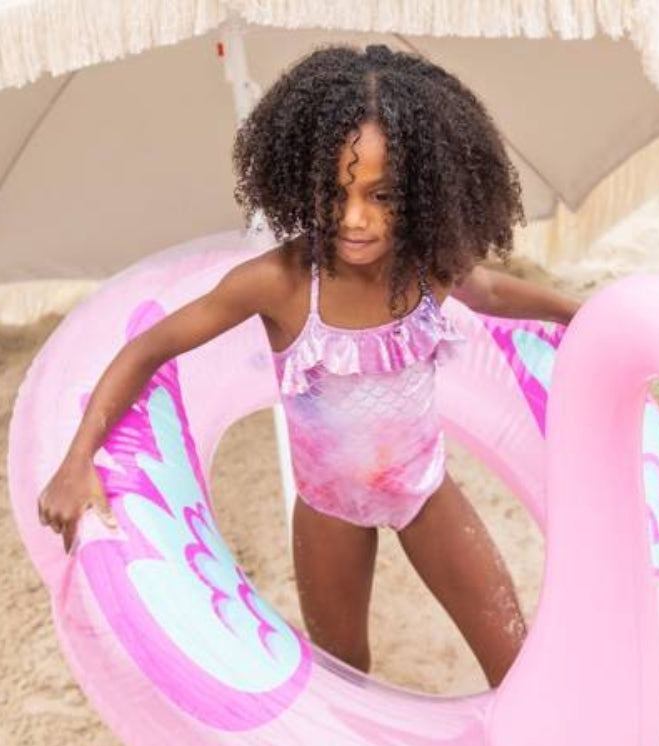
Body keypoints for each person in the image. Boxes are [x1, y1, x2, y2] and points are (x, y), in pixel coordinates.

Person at [37, 44, 580, 689]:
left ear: (423, 192)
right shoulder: (282, 284)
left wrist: (580, 315)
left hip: (424, 491)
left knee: (513, 657)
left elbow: (488, 292)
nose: (354, 217)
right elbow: (149, 348)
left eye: (382, 195)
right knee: (347, 676)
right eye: (335, 191)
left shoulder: (429, 263)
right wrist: (78, 458)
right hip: (330, 509)